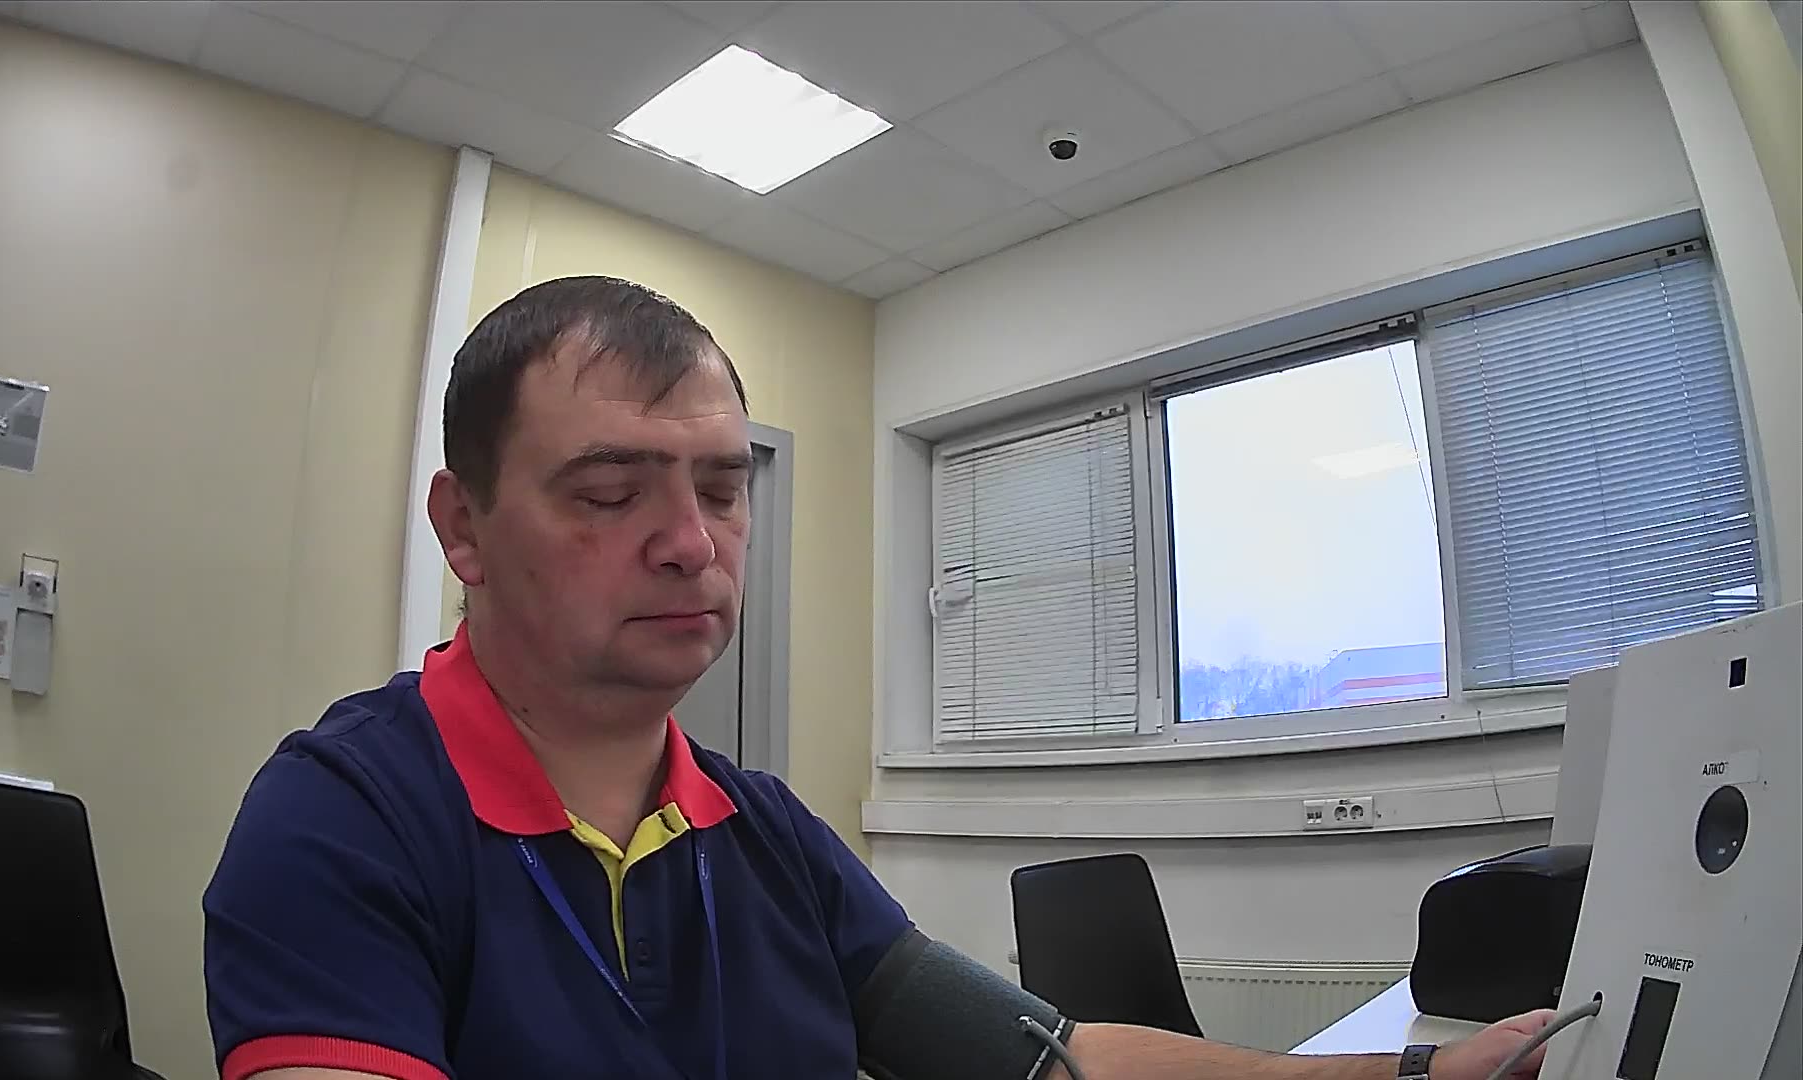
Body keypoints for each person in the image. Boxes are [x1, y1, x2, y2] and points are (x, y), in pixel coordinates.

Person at [203, 277, 1554, 1080]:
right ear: (463, 529)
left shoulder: (767, 833)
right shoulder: (342, 817)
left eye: (721, 490)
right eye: (611, 493)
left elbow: (1051, 1058)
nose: (692, 544)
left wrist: (1415, 1072)